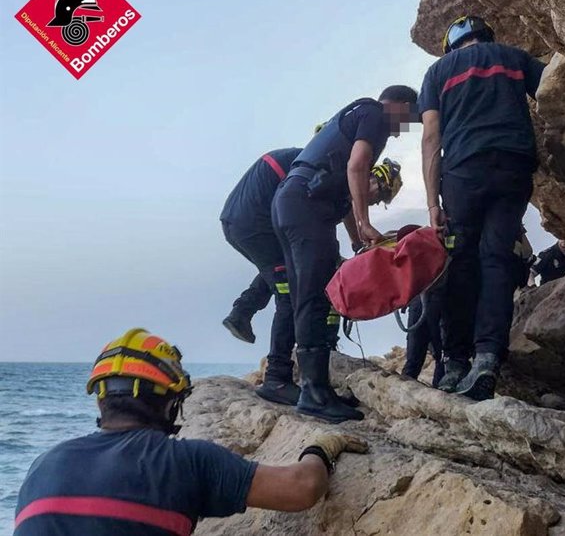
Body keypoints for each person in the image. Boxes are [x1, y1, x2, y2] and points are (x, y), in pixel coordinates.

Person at [14, 329, 368, 536]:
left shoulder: (42, 466)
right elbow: (301, 489)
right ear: (171, 403)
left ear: (100, 401)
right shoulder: (186, 462)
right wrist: (322, 447)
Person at [273, 86, 418, 423]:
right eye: (408, 117)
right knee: (314, 295)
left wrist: (357, 239)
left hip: (291, 202)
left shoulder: (353, 118)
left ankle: (317, 387)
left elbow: (342, 194)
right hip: (305, 206)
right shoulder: (374, 114)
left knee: (304, 294)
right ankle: (313, 394)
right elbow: (356, 168)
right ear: (399, 105)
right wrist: (367, 223)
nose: (404, 128)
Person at [419, 15, 545, 401]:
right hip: (513, 165)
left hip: (463, 173)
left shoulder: (438, 71)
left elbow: (430, 138)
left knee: (460, 261)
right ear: (485, 36)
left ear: (451, 43)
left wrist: (432, 203)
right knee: (496, 259)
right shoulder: (514, 57)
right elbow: (557, 91)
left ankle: (454, 361)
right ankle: (488, 358)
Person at [220, 147, 302, 345]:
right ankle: (278, 370)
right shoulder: (312, 164)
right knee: (287, 292)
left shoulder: (294, 157)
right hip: (254, 226)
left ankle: (241, 312)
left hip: (235, 222)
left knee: (280, 266)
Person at [401, 288, 446, 388]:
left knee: (442, 358)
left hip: (434, 298)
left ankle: (440, 392)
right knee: (414, 361)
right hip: (421, 299)